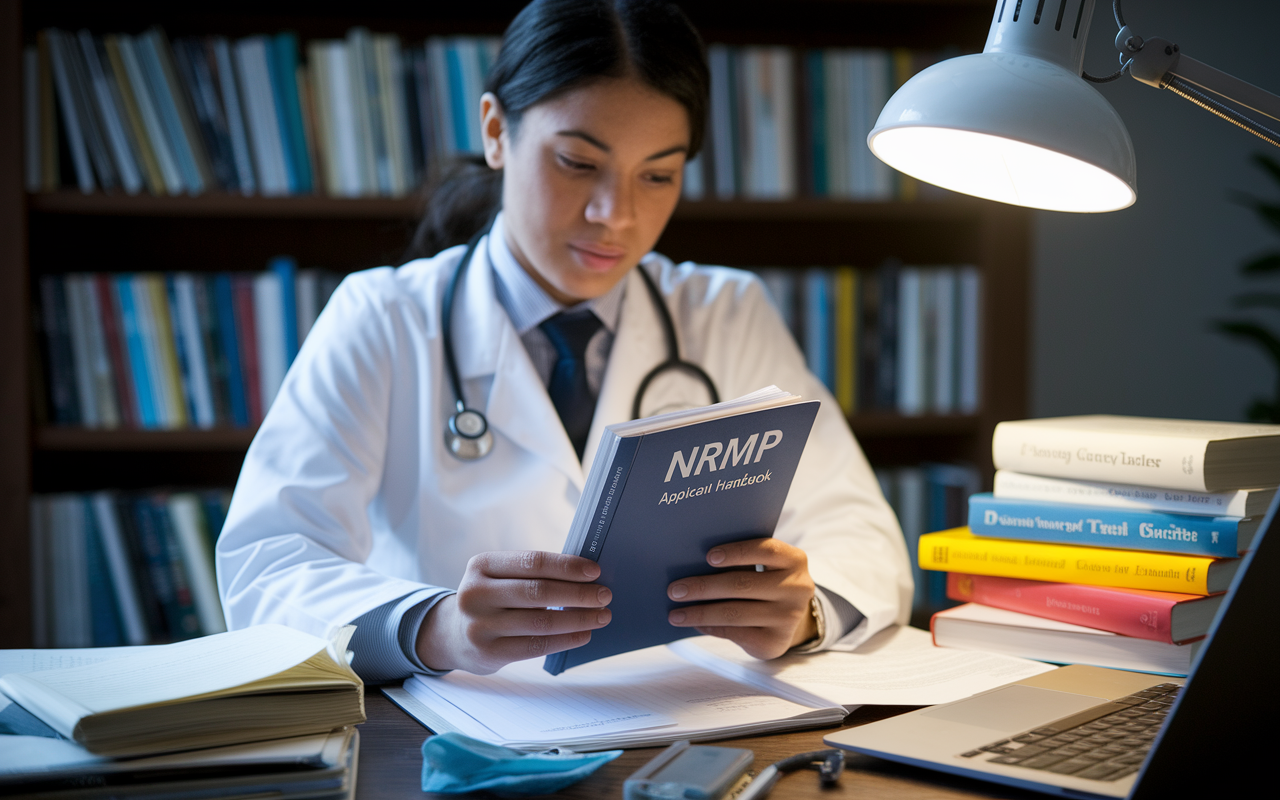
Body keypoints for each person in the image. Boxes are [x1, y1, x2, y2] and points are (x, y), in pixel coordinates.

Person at [215, 0, 912, 681]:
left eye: (658, 175)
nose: (616, 215)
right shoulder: (384, 317)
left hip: (682, 721)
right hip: (457, 734)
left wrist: (804, 610)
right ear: (496, 131)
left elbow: (860, 530)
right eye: (578, 163)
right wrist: (436, 627)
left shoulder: (725, 312)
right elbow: (269, 560)